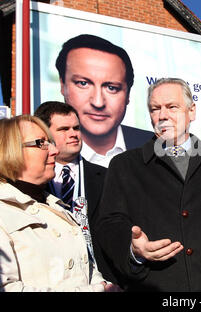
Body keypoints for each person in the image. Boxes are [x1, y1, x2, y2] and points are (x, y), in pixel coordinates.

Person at [94, 78, 201, 291]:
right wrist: (133, 250)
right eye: (155, 109)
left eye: (172, 107)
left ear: (192, 111)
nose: (162, 116)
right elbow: (110, 222)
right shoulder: (124, 166)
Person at [0, 115, 116, 291]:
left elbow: (87, 268)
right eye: (41, 143)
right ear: (10, 149)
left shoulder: (56, 207)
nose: (54, 150)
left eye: (51, 142)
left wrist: (104, 285)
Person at [34, 101, 117, 284]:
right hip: (50, 281)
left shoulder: (107, 177)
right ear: (45, 135)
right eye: (64, 129)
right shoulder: (30, 183)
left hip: (101, 280)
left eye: (76, 128)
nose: (73, 134)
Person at [55, 34, 154, 168]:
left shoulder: (155, 146)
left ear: (128, 94)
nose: (98, 102)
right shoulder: (43, 150)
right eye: (83, 83)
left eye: (111, 88)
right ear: (63, 85)